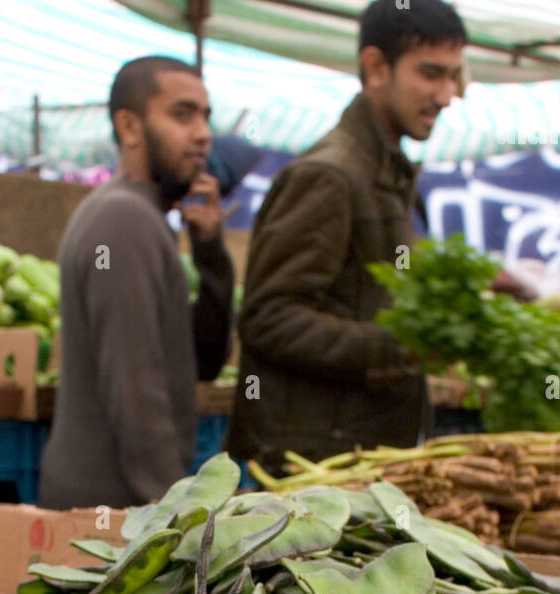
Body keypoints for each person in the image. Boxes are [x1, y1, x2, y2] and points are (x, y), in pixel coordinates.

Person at [226, 0, 466, 476]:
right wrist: (399, 346)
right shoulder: (331, 176)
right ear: (376, 67)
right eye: (431, 73)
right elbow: (267, 318)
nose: (446, 94)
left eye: (454, 76)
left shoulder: (388, 173)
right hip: (311, 473)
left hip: (356, 457)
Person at [40, 56, 235, 510]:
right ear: (129, 128)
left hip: (122, 512)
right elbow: (136, 389)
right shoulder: (122, 220)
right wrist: (174, 519)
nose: (203, 133)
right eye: (182, 115)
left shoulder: (146, 218)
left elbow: (201, 363)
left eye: (206, 117)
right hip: (107, 518)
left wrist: (210, 252)